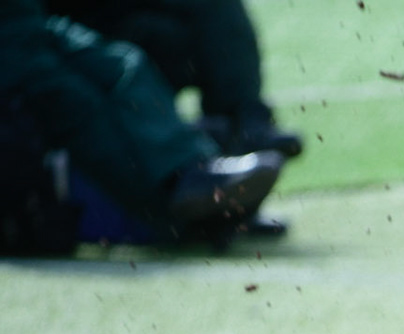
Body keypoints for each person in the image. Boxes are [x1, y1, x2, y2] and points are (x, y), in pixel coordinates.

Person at [0, 0, 280, 240]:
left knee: (126, 64)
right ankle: (182, 205)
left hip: (32, 22)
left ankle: (218, 156)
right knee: (74, 101)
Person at [44, 0, 301, 157]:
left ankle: (242, 137)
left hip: (118, 16)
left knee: (208, 27)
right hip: (65, 32)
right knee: (139, 52)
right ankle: (207, 165)